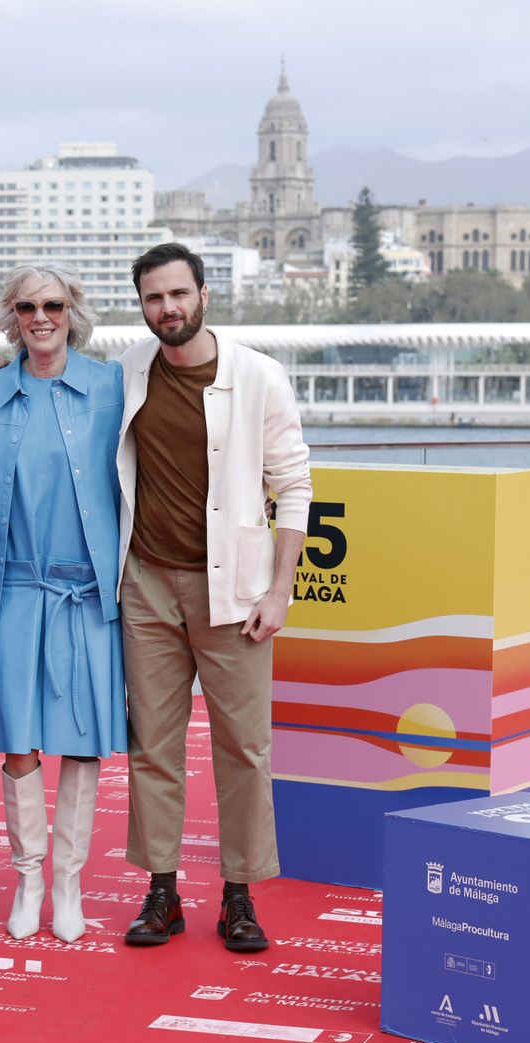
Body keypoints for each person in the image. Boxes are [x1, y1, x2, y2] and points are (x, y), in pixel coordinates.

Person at [115, 243, 310, 953]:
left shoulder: (258, 375)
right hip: (145, 584)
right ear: (141, 306)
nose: (167, 308)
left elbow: (294, 486)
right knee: (153, 747)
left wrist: (280, 588)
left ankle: (239, 895)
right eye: (152, 298)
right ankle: (161, 891)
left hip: (234, 591)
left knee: (244, 748)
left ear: (203, 293)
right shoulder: (130, 371)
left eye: (177, 294)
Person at [0, 263, 125, 944]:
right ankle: (28, 876)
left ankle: (69, 881)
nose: (41, 316)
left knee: (83, 742)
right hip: (18, 588)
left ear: (73, 310)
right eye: (28, 305)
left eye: (54, 304)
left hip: (89, 592)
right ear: (11, 313)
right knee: (20, 741)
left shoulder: (111, 385)